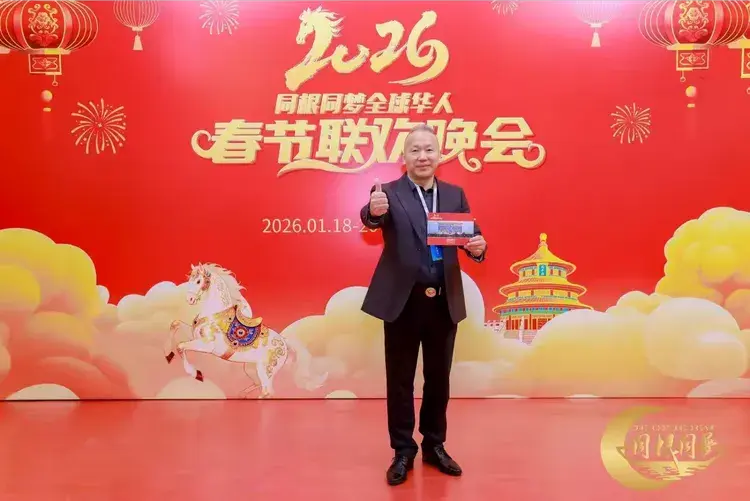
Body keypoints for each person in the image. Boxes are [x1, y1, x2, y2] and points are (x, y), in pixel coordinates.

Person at [359, 123, 487, 486]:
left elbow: (472, 237)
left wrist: (478, 249)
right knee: (400, 381)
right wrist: (372, 211)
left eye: (429, 149)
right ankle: (403, 450)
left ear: (439, 155)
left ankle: (434, 445)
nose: (422, 156)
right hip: (402, 301)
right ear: (404, 157)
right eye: (414, 150)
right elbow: (371, 218)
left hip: (443, 301)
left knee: (438, 379)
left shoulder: (454, 194)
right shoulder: (387, 193)